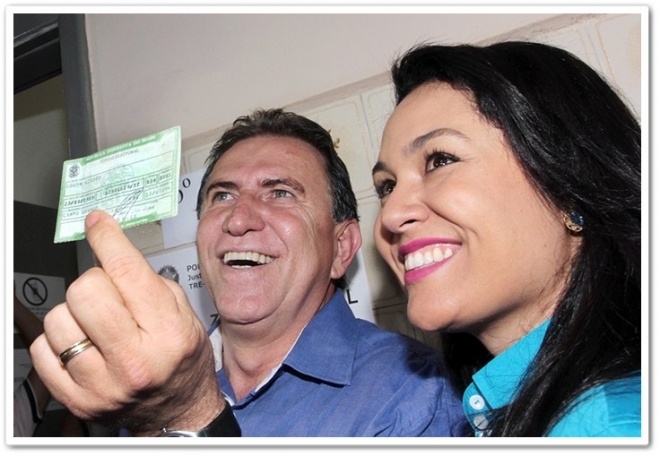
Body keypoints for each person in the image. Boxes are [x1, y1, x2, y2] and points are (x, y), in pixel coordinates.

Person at [30, 109, 466, 437]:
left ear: (341, 247)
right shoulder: (152, 383)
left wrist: (189, 417)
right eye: (222, 196)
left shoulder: (412, 397)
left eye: (280, 193)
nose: (238, 220)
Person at [371, 41, 642, 437]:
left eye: (440, 160)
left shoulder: (606, 429)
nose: (391, 214)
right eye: (387, 186)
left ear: (567, 190)